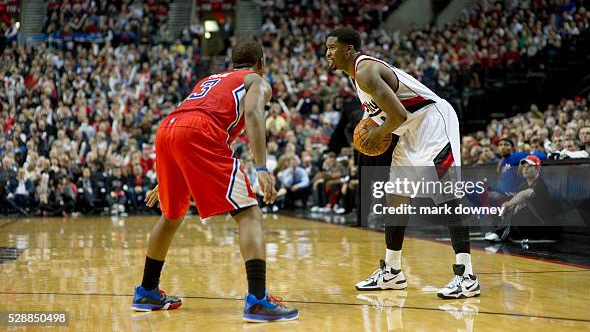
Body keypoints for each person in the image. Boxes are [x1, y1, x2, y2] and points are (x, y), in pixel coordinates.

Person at [132, 38, 298, 322]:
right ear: (261, 64)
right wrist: (261, 167)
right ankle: (258, 300)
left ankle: (147, 291)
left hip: (169, 128)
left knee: (171, 216)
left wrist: (170, 173)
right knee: (248, 212)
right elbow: (255, 113)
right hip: (199, 131)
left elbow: (188, 120)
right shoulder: (255, 80)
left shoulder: (210, 79)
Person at [326, 27, 479, 299]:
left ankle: (466, 275)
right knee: (396, 195)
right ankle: (393, 272)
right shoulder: (356, 77)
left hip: (433, 122)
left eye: (332, 48)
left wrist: (376, 135)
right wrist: (372, 130)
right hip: (409, 130)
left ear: (348, 49)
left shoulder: (365, 72)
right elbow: (391, 117)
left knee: (447, 194)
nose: (327, 54)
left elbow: (396, 114)